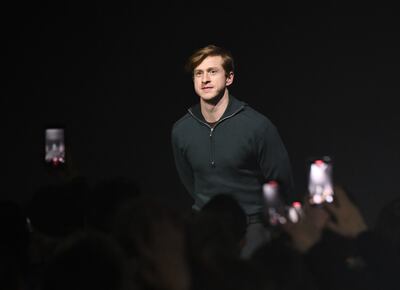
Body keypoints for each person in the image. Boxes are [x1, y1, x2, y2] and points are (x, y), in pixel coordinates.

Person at [171, 44, 295, 258]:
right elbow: (189, 180)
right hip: (204, 228)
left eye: (212, 71)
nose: (205, 79)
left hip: (252, 227)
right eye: (198, 73)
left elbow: (280, 182)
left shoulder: (258, 126)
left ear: (229, 78)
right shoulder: (181, 130)